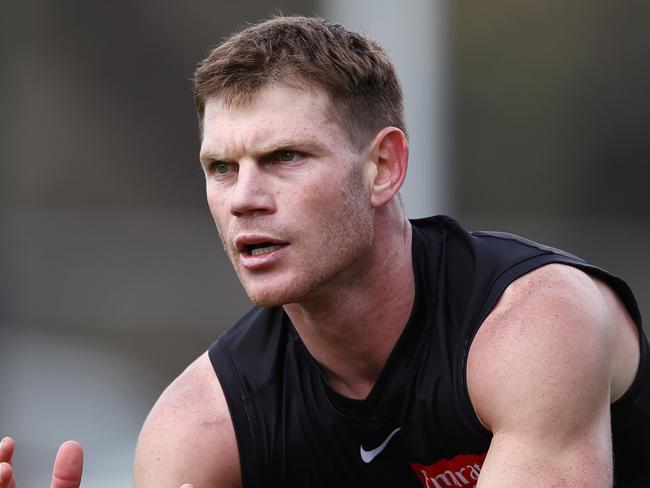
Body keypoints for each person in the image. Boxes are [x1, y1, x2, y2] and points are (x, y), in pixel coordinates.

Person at [2, 15, 648, 488]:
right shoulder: (201, 427)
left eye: (284, 158)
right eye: (221, 168)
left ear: (383, 167)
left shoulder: (535, 320)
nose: (244, 198)